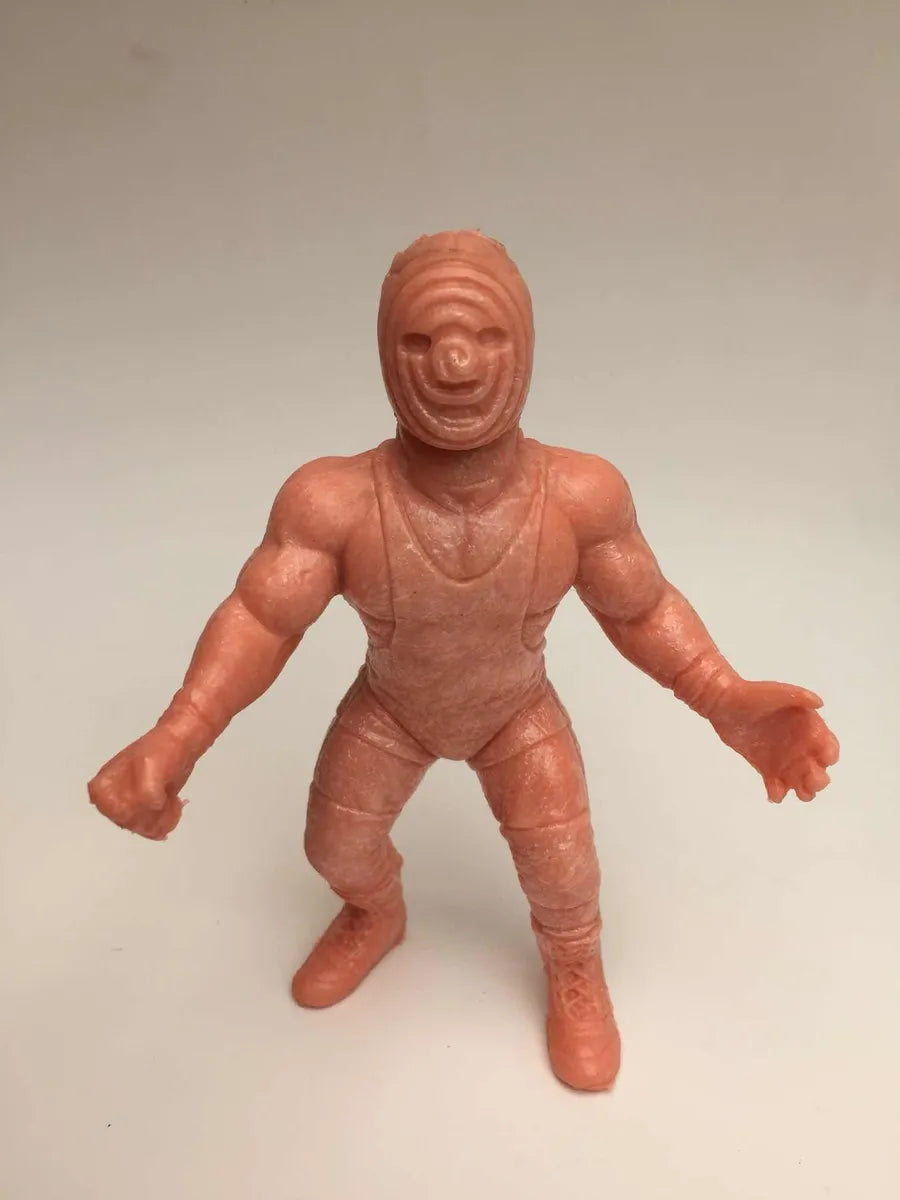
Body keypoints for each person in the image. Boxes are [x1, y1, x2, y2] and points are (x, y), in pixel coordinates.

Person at [89, 230, 839, 1091]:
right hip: (392, 707)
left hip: (516, 712)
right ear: (385, 353)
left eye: (487, 336)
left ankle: (575, 967)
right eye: (421, 340)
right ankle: (374, 911)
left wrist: (724, 698)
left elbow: (643, 609)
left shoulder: (580, 494)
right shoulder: (332, 500)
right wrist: (178, 735)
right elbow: (261, 618)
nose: (454, 364)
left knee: (565, 873)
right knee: (333, 847)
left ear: (526, 348)